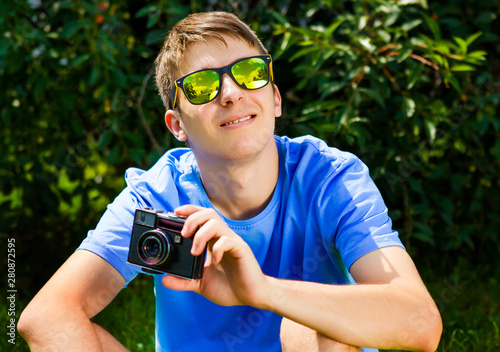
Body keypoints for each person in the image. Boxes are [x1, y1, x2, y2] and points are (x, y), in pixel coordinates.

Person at [18, 11, 442, 352]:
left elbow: (419, 324)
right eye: (201, 86)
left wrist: (259, 290)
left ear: (274, 98)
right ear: (176, 124)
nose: (231, 92)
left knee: (309, 329)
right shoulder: (159, 197)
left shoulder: (331, 179)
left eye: (251, 72)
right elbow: (46, 318)